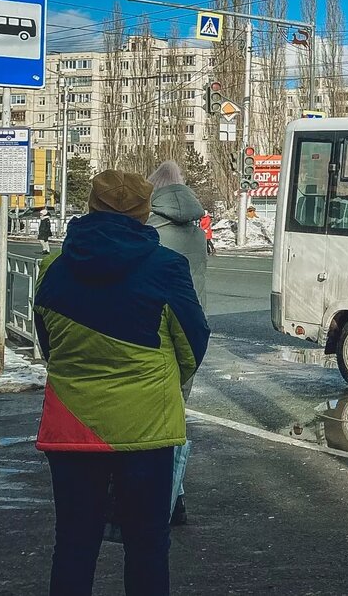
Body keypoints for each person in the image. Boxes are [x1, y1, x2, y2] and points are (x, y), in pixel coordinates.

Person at [34, 170, 209, 595]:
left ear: (90, 207)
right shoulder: (167, 267)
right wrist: (162, 383)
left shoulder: (52, 268)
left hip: (72, 428)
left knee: (74, 545)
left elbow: (48, 345)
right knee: (147, 546)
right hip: (147, 430)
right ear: (143, 213)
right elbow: (193, 344)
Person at [146, 160, 207, 527]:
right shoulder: (196, 233)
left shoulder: (151, 232)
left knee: (151, 425)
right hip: (191, 332)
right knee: (176, 416)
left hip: (155, 334)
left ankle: (159, 501)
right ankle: (176, 497)